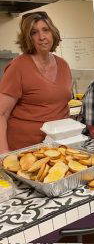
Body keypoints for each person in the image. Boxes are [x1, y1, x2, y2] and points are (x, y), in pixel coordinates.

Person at [0, 11, 72, 153]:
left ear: (53, 33)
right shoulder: (18, 67)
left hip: (60, 147)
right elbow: (1, 114)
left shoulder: (63, 65)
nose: (41, 37)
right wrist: (4, 155)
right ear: (28, 38)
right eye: (34, 32)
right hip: (26, 150)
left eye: (45, 30)